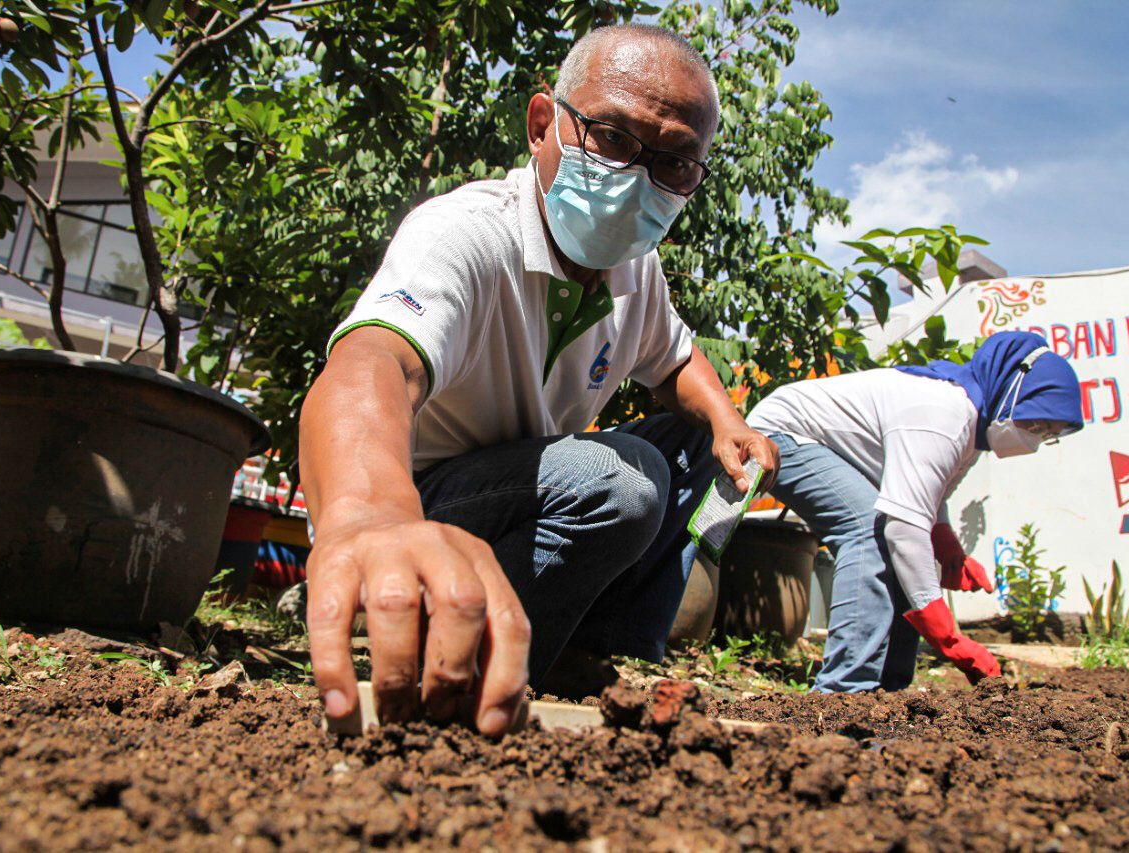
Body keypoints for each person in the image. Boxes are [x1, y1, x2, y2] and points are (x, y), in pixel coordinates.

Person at [298, 24, 780, 736]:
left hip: (521, 495)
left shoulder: (634, 271)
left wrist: (727, 419)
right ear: (541, 123)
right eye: (612, 137)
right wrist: (371, 515)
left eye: (674, 163)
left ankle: (586, 646)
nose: (636, 179)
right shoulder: (465, 234)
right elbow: (374, 361)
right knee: (621, 481)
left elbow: (674, 358)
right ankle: (475, 670)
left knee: (696, 441)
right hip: (422, 509)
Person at [745, 331, 1083, 692]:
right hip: (780, 434)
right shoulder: (944, 414)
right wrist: (946, 635)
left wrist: (945, 541)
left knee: (898, 546)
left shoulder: (971, 432)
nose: (1034, 440)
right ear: (1011, 393)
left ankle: (889, 690)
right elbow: (904, 528)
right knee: (868, 530)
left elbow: (929, 500)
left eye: (1047, 435)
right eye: (1034, 426)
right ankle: (843, 691)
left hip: (817, 442)